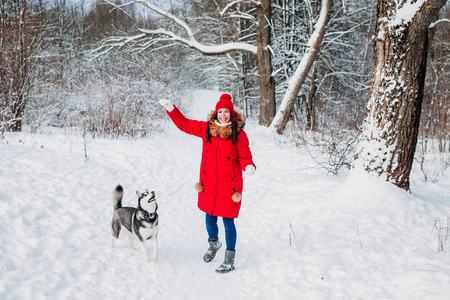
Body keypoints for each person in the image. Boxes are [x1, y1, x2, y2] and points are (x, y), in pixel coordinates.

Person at [159, 93, 256, 273]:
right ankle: (214, 244)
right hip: (209, 184)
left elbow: (244, 155)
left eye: (227, 112)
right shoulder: (207, 129)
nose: (223, 115)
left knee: (228, 222)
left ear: (232, 114)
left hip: (230, 185)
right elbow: (185, 124)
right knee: (209, 219)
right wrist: (171, 109)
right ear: (216, 113)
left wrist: (248, 165)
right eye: (220, 111)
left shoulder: (239, 134)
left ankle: (229, 259)